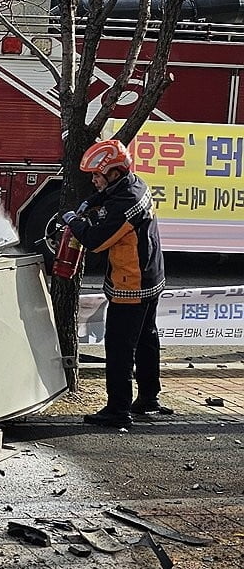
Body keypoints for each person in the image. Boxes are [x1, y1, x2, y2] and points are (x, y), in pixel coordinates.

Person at [63, 138, 169, 428]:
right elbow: (107, 197)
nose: (94, 181)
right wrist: (90, 202)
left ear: (115, 173)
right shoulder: (136, 185)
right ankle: (149, 399)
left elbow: (96, 241)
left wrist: (74, 220)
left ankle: (118, 409)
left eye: (98, 175)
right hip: (152, 277)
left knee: (120, 347)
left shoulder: (126, 204)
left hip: (131, 284)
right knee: (147, 337)